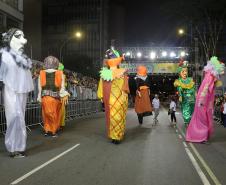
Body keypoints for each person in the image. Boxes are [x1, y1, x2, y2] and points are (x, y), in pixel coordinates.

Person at [0, 28, 34, 158]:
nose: (22, 39)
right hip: (10, 89)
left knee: (20, 118)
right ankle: (13, 147)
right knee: (14, 116)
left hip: (22, 91)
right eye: (18, 36)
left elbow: (26, 76)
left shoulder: (23, 58)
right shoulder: (4, 54)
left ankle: (19, 147)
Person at [186, 56, 225, 143]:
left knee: (205, 116)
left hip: (206, 101)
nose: (220, 75)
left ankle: (202, 135)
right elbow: (205, 90)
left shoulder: (210, 76)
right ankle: (201, 136)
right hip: (203, 101)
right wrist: (202, 102)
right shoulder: (210, 76)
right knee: (202, 117)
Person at [97, 49, 129, 144]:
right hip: (118, 98)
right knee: (118, 117)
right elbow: (125, 86)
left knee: (113, 117)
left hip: (112, 98)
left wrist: (101, 96)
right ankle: (116, 135)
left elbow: (101, 86)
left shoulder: (105, 73)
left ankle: (115, 136)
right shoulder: (121, 72)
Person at [37, 56, 69, 137]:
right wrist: (64, 94)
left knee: (47, 114)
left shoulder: (41, 73)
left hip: (46, 97)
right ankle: (52, 130)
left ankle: (49, 130)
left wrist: (39, 96)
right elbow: (62, 88)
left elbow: (39, 87)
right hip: (55, 98)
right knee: (54, 114)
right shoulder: (59, 73)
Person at [174, 59, 195, 127]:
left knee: (192, 108)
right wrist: (180, 95)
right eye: (183, 71)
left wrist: (196, 94)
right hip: (185, 97)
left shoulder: (190, 79)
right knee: (186, 108)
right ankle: (187, 121)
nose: (185, 73)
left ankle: (191, 119)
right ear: (180, 73)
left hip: (192, 98)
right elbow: (179, 88)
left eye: (186, 71)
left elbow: (193, 88)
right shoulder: (178, 81)